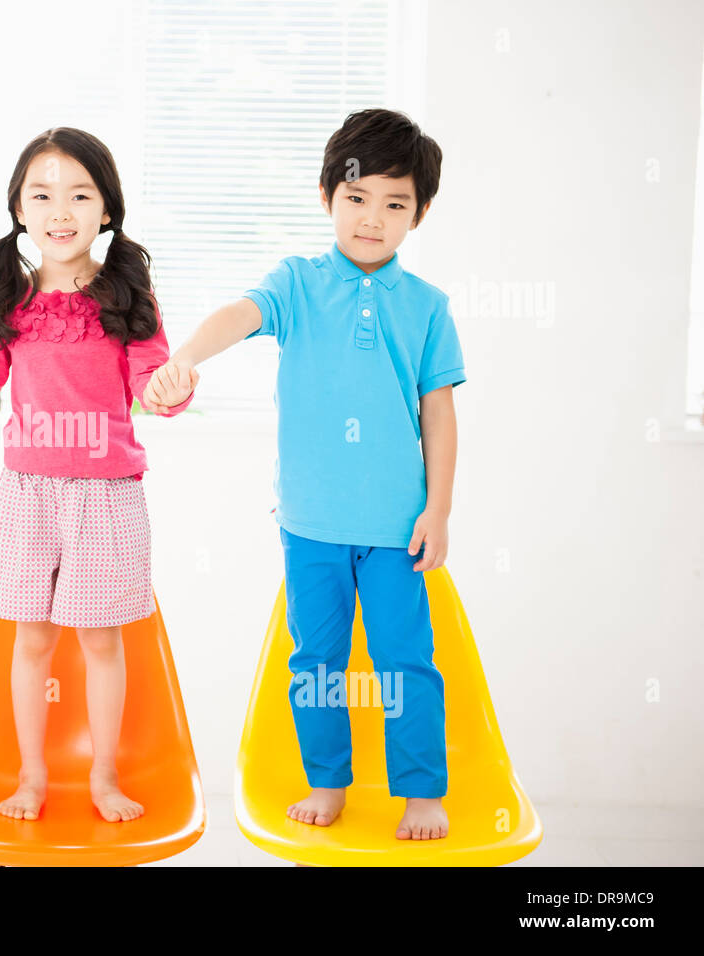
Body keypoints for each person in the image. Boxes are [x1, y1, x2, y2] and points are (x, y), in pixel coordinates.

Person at [148, 109, 465, 841]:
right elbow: (240, 313)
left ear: (419, 213)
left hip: (396, 528)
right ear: (327, 195)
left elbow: (440, 416)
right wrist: (185, 358)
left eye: (395, 204)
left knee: (405, 661)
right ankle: (328, 783)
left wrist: (438, 509)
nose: (372, 219)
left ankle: (421, 790)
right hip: (310, 526)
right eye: (357, 198)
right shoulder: (295, 283)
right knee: (315, 660)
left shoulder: (427, 308)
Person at [0, 128, 194, 822]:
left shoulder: (128, 297)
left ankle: (104, 778)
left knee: (101, 642)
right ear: (20, 211)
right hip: (28, 498)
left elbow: (154, 385)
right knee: (30, 641)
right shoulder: (7, 305)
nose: (61, 210)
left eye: (80, 194)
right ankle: (31, 776)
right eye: (43, 194)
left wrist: (172, 390)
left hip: (107, 498)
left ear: (107, 211)